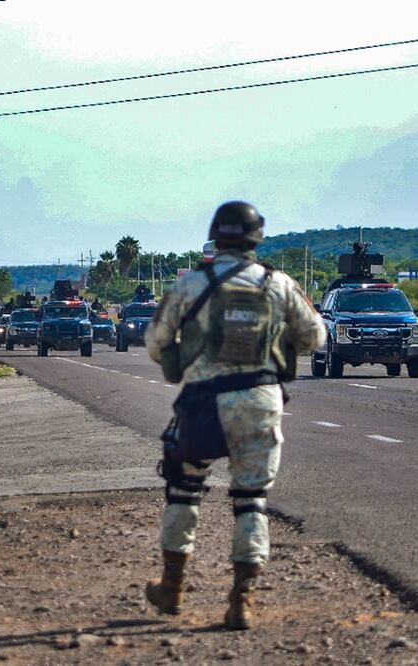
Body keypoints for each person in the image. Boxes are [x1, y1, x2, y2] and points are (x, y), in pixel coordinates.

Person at [143, 201, 325, 630]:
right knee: (251, 500)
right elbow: (315, 336)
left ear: (216, 236)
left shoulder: (191, 285)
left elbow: (156, 342)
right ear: (255, 239)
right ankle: (241, 600)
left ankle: (172, 588)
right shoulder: (278, 284)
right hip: (261, 398)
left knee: (184, 488)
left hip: (205, 400)